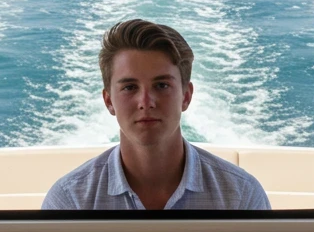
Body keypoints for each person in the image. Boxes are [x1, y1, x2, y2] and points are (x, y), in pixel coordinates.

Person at [42, 19, 271, 210]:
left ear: (186, 96)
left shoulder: (242, 197)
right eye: (129, 87)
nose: (145, 102)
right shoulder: (69, 202)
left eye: (161, 85)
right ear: (109, 101)